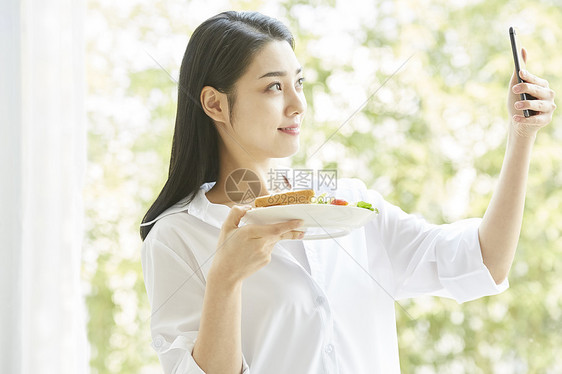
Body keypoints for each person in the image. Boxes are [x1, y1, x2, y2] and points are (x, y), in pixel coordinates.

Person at [139, 11, 556, 374]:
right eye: (273, 87)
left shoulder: (346, 203)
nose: (298, 104)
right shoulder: (177, 236)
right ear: (214, 104)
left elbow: (485, 262)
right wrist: (225, 279)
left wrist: (521, 136)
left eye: (298, 82)